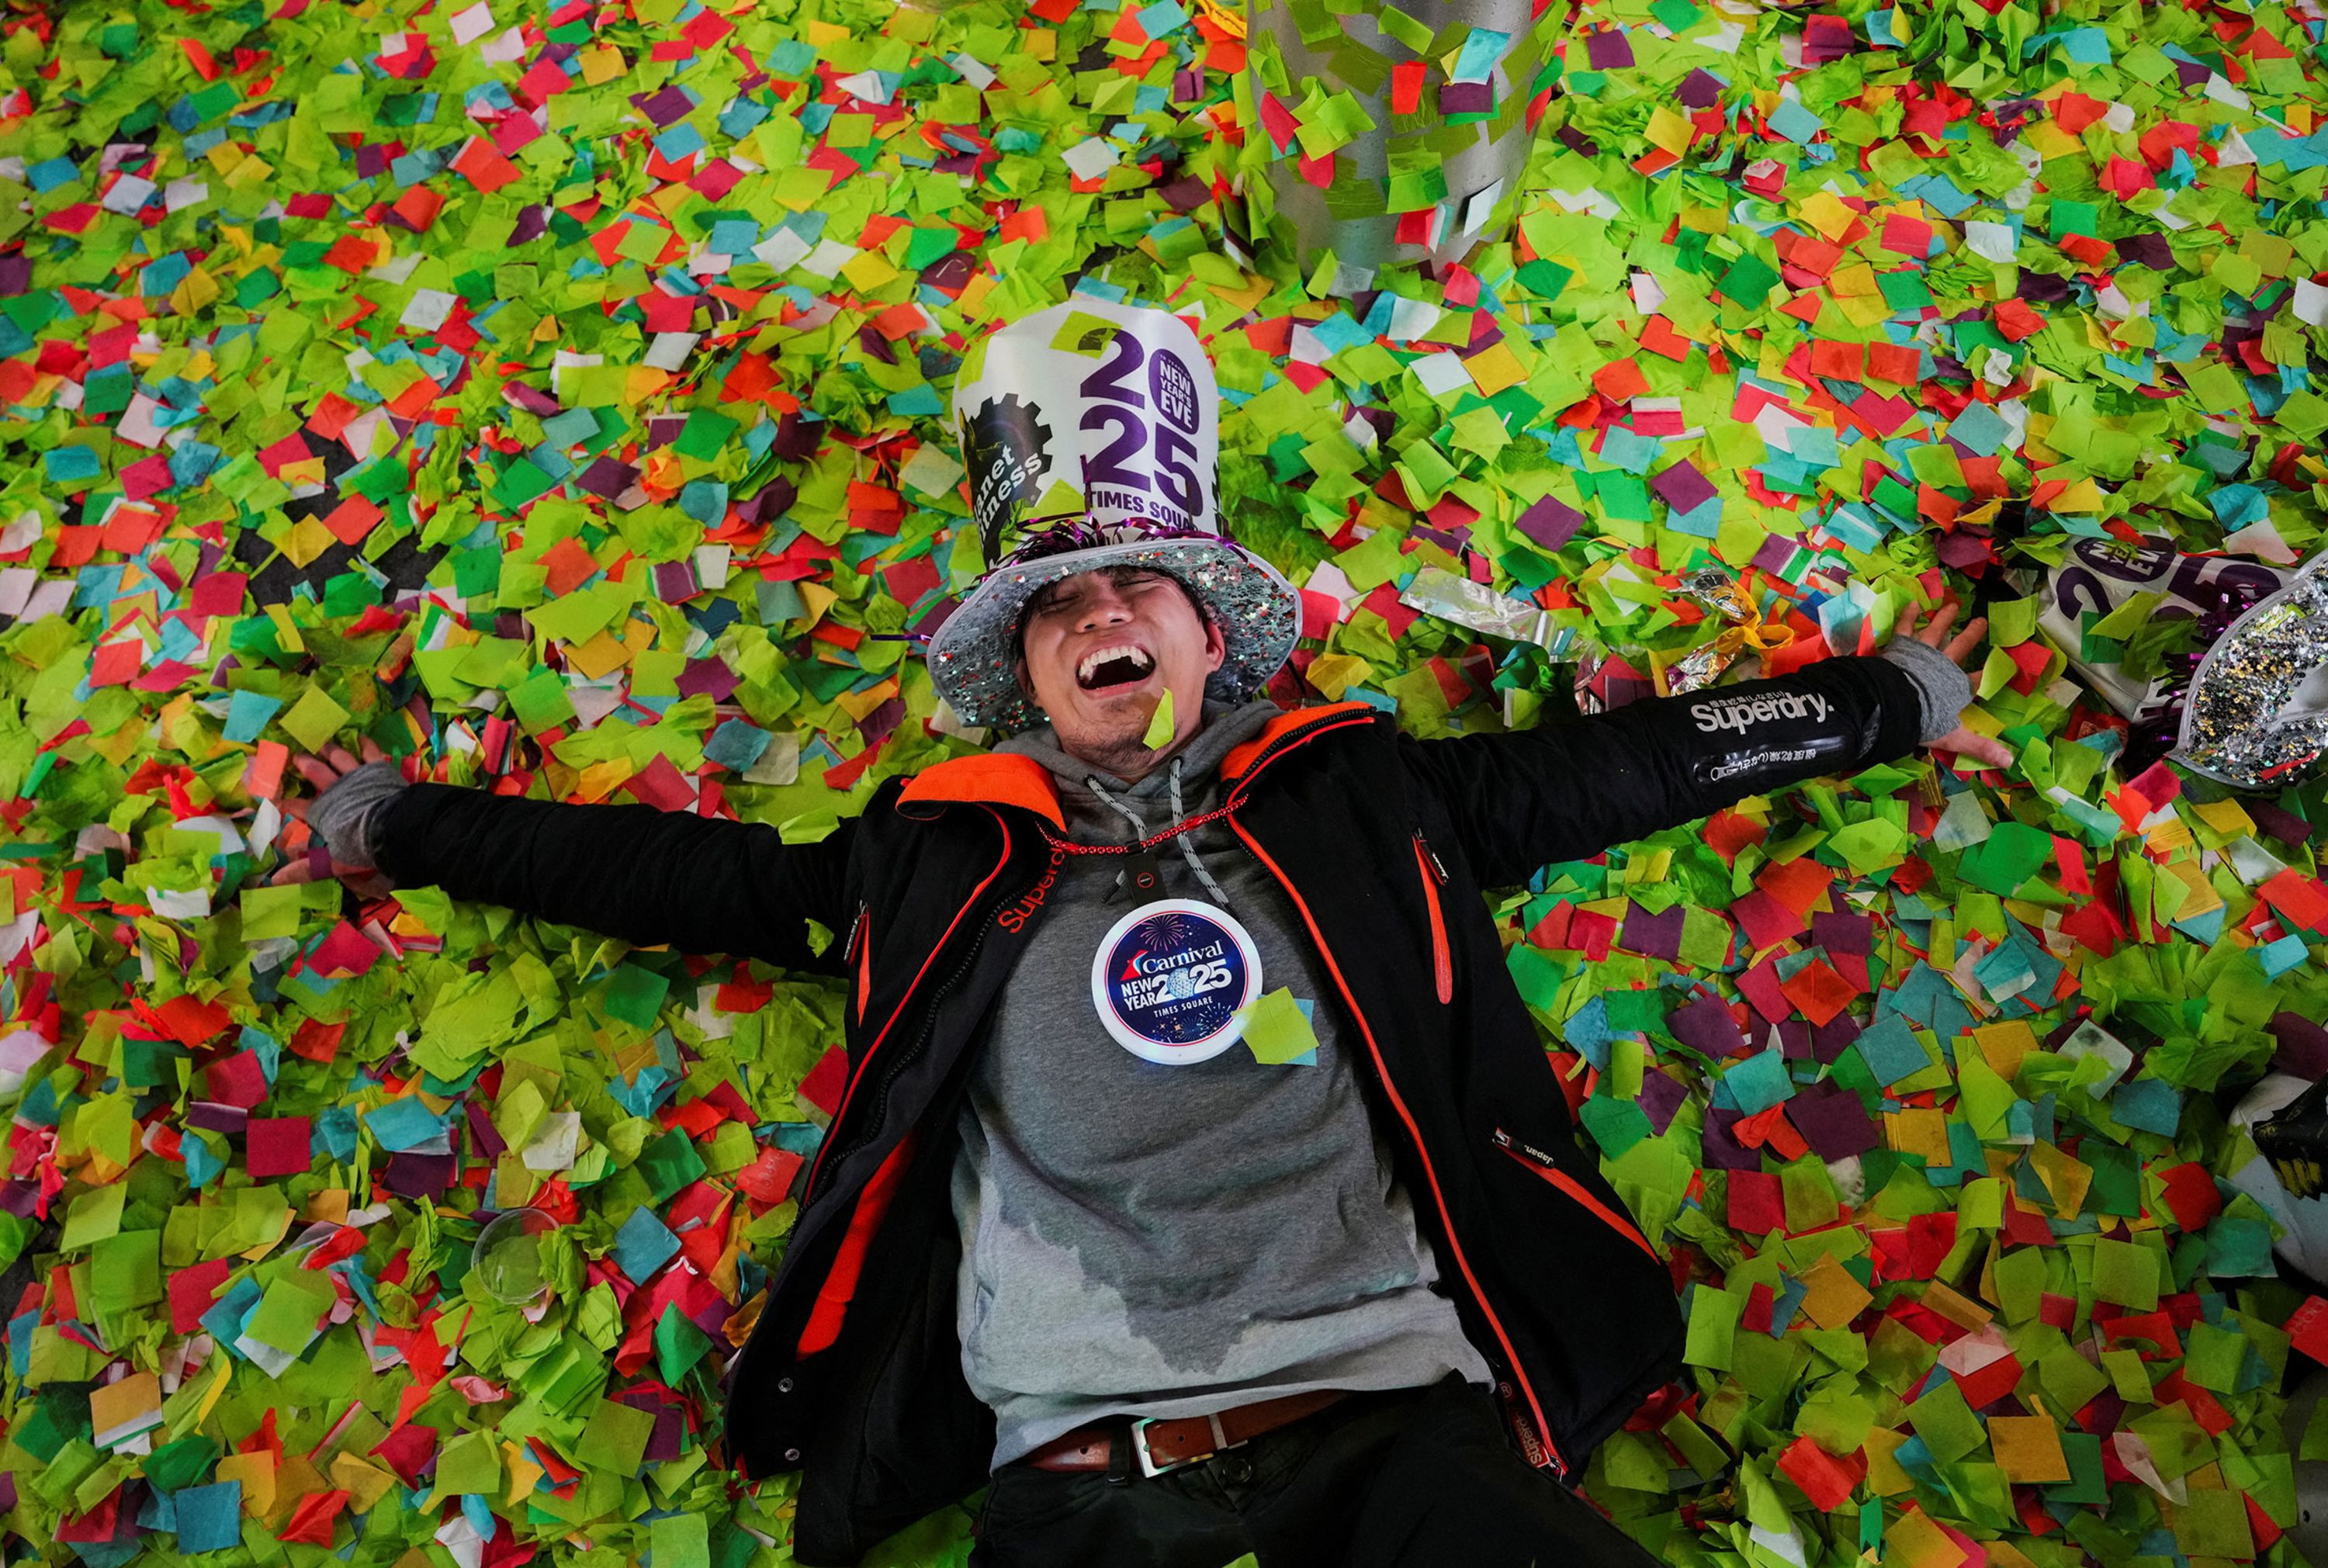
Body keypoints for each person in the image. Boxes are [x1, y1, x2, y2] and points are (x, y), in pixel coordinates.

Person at [281, 512, 2004, 1568]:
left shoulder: (1363, 790)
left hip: (1402, 1424)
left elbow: (1639, 767)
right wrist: (399, 821)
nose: (1098, 610)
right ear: (1032, 677)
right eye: (1056, 604)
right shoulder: (925, 859)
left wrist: (1883, 704)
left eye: (1137, 586)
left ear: (1209, 636)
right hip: (1085, 1478)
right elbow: (657, 868)